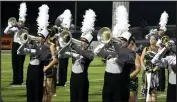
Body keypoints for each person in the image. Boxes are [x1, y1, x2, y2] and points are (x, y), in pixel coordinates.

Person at [4, 2, 28, 86]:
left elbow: (25, 34)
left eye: (22, 22)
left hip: (22, 46)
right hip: (14, 45)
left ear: (24, 22)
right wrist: (10, 25)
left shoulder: (25, 29)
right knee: (14, 63)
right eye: (19, 21)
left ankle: (20, 80)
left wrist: (19, 27)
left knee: (20, 63)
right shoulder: (15, 28)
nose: (20, 23)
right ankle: (15, 80)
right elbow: (5, 31)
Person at [55, 9, 72, 86]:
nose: (64, 28)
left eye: (66, 27)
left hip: (65, 52)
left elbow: (69, 42)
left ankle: (63, 81)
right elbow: (58, 40)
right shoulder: (61, 33)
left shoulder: (69, 34)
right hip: (60, 52)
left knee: (64, 67)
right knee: (59, 67)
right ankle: (59, 81)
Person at [140, 34, 159, 102]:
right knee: (147, 91)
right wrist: (144, 68)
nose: (151, 40)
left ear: (156, 40)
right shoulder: (146, 48)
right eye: (150, 39)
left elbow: (160, 61)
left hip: (154, 72)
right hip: (146, 71)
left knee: (153, 91)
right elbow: (141, 59)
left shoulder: (159, 49)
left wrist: (154, 69)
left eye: (153, 39)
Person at [42, 27, 59, 102]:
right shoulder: (40, 45)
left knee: (48, 91)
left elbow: (55, 59)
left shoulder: (52, 45)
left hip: (49, 70)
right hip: (40, 70)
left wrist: (47, 67)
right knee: (41, 91)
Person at [128, 37, 141, 102]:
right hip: (121, 80)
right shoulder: (121, 54)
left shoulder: (135, 55)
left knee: (132, 100)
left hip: (132, 80)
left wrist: (128, 77)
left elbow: (138, 69)